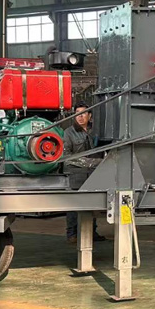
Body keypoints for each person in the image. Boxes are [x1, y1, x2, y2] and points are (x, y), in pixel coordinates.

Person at [64, 104, 105, 244]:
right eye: (77, 113)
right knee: (73, 206)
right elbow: (66, 156)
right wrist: (92, 162)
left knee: (92, 204)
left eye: (83, 113)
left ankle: (92, 232)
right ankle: (72, 233)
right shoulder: (69, 132)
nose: (80, 116)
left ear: (90, 116)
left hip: (93, 174)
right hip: (76, 174)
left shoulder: (96, 131)